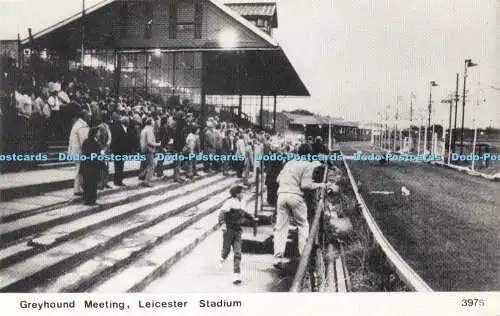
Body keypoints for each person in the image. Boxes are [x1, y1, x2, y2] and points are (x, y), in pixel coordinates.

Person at [273, 143, 326, 269]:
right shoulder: (307, 165)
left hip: (281, 195)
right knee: (303, 225)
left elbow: (278, 180)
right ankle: (304, 257)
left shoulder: (289, 163)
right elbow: (305, 186)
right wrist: (319, 185)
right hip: (296, 197)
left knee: (280, 227)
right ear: (309, 154)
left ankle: (277, 258)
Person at [218, 184, 256, 284]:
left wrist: (252, 218)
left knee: (237, 252)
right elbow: (221, 213)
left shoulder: (242, 202)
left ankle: (236, 275)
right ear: (236, 194)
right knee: (226, 250)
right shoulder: (229, 202)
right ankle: (222, 258)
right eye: (241, 192)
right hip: (229, 229)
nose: (243, 194)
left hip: (237, 229)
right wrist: (222, 224)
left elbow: (243, 213)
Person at [68, 109, 90, 196]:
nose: (89, 117)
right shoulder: (81, 126)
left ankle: (78, 188)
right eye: (88, 115)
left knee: (79, 169)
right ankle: (78, 189)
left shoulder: (77, 124)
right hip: (79, 152)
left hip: (75, 150)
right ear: (84, 116)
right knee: (79, 170)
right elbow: (84, 141)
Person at [80, 127, 104, 205]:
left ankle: (87, 199)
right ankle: (91, 200)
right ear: (94, 134)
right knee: (92, 184)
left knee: (88, 183)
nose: (99, 133)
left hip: (86, 165)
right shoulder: (95, 143)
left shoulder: (86, 142)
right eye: (98, 132)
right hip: (92, 166)